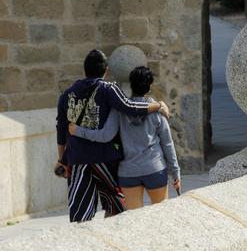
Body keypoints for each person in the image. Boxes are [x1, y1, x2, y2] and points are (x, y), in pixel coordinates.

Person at [55, 50, 169, 222]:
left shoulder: (67, 94)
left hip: (77, 159)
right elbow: (130, 107)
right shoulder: (108, 89)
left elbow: (61, 130)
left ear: (84, 69)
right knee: (118, 208)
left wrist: (62, 159)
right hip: (105, 160)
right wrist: (158, 105)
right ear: (105, 70)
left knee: (80, 217)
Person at [69, 66, 180, 210]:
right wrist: (175, 172)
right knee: (161, 215)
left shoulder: (118, 110)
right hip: (154, 168)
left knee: (132, 220)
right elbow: (167, 144)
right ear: (150, 86)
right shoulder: (158, 110)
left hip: (128, 172)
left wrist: (79, 131)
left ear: (131, 85)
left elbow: (105, 135)